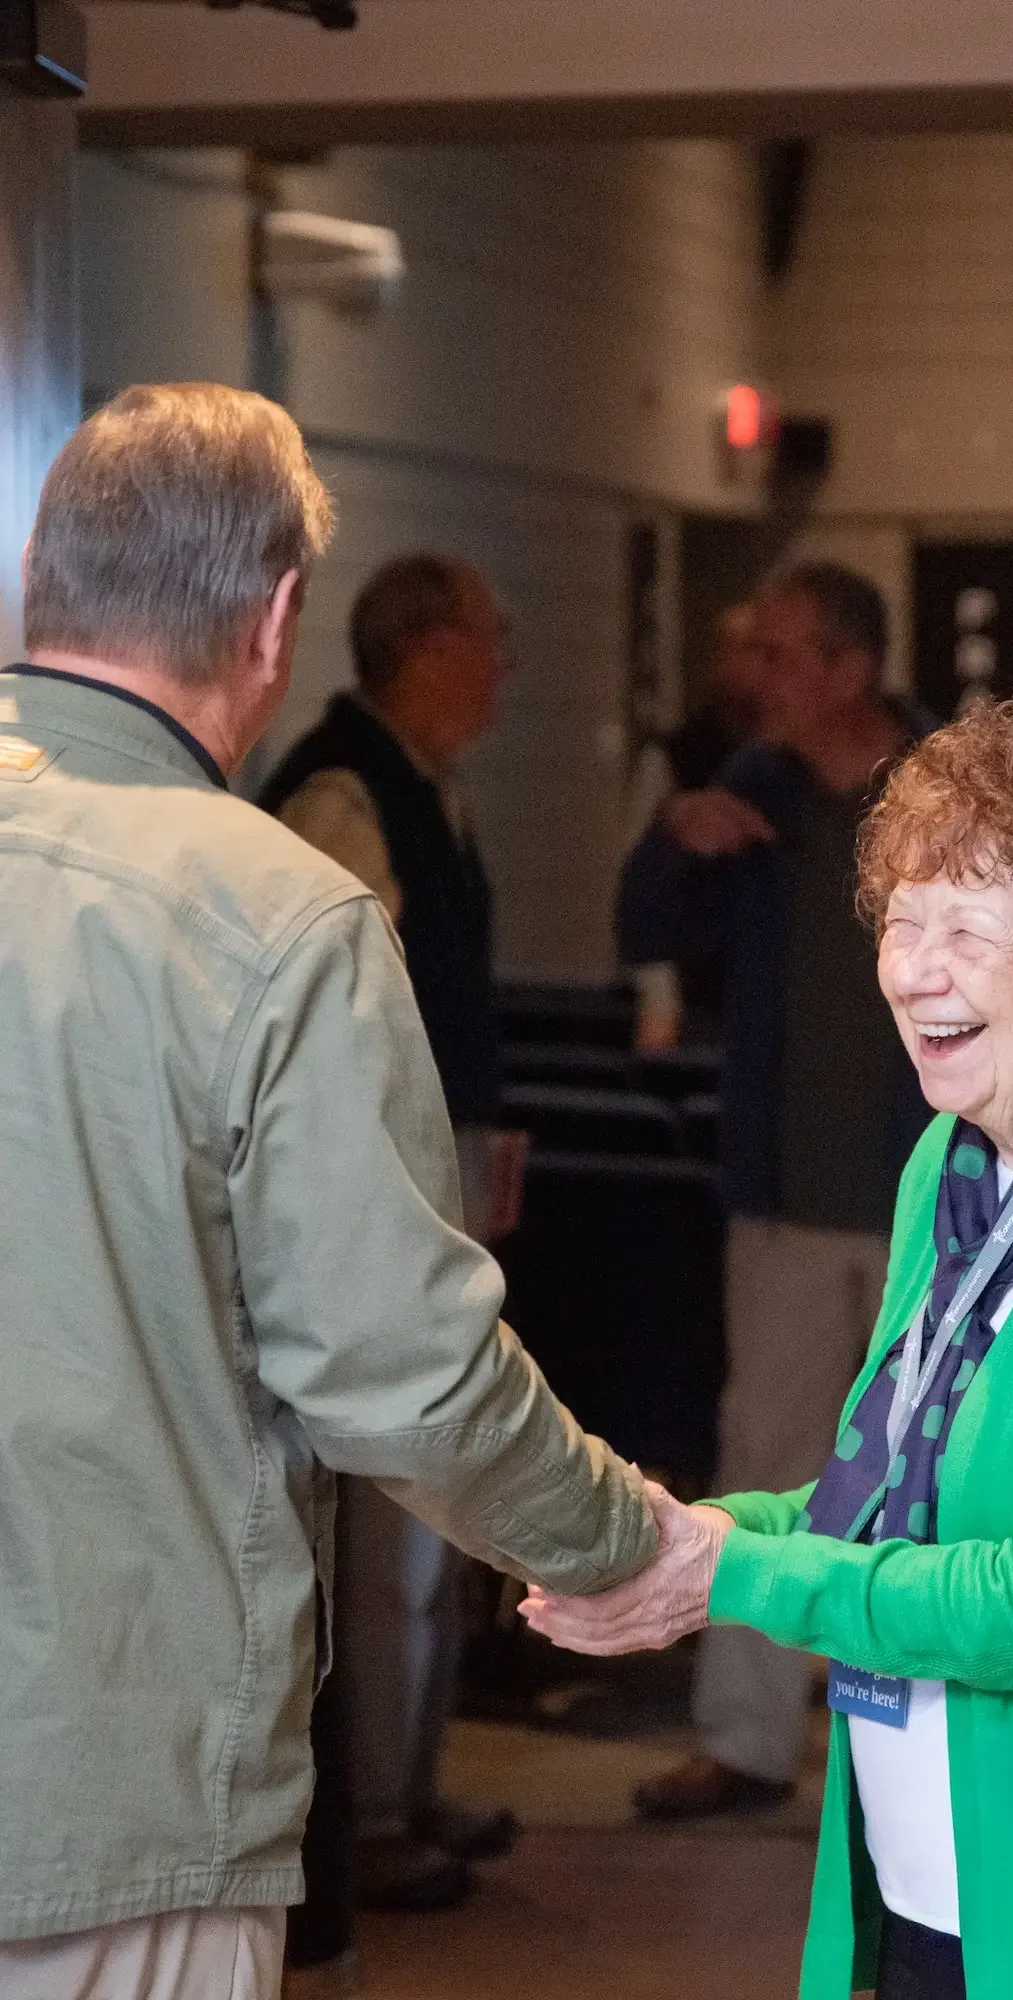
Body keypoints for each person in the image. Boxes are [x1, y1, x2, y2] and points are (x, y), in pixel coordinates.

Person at [0, 383, 661, 1999]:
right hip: (109, 1790)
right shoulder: (274, 918)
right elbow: (405, 1378)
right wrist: (614, 1542)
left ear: (43, 575)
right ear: (278, 619)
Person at [528, 693, 1013, 2000]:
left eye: (967, 926)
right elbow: (891, 1496)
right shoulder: (954, 1169)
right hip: (922, 1886)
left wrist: (724, 1576)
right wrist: (671, 1542)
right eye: (903, 921)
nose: (913, 966)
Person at [617, 563, 930, 1819]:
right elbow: (643, 922)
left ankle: (908, 1757)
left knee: (930, 1483)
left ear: (851, 669)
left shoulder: (947, 786)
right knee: (766, 1458)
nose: (758, 678)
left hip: (931, 1207)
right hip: (786, 1197)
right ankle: (743, 1738)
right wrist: (671, 834)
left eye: (784, 654)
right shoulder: (750, 788)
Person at [260, 555, 524, 1911]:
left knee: (436, 1511)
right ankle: (367, 1811)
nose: (507, 660)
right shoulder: (343, 789)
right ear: (422, 644)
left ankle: (410, 1784)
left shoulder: (424, 787)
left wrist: (489, 1128)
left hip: (441, 1164)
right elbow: (334, 1031)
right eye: (489, 634)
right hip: (378, 1185)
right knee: (390, 1514)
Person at [624, 601, 768, 1050]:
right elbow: (640, 881)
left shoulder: (787, 758)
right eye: (745, 651)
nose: (759, 668)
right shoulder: (675, 755)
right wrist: (659, 1000)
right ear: (718, 662)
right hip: (696, 991)